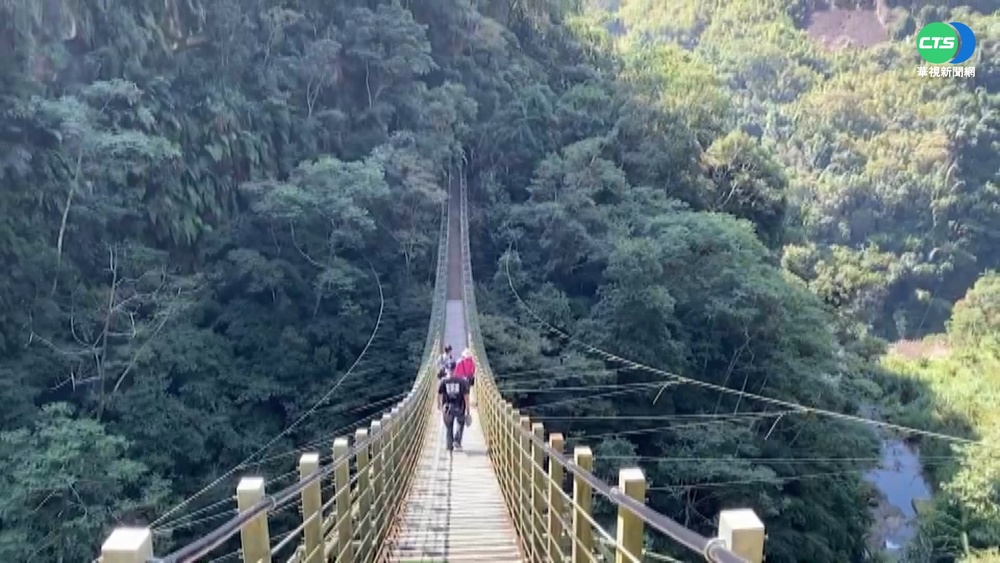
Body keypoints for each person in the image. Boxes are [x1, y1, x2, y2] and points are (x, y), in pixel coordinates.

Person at [437, 370, 470, 451]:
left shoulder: (443, 381)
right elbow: (466, 396)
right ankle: (457, 441)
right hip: (459, 407)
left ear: (447, 371)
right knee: (460, 423)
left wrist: (439, 405)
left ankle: (449, 445)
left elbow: (439, 394)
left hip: (447, 407)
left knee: (449, 426)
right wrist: (468, 408)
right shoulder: (462, 381)